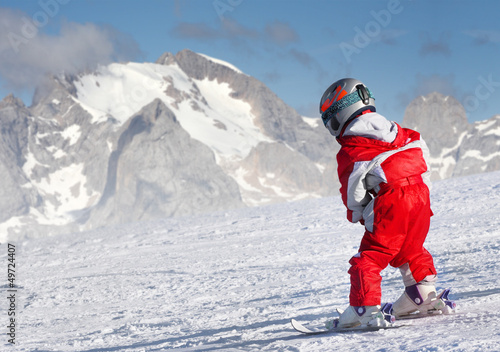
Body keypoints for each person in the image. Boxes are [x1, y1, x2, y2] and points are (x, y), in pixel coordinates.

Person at [319, 78, 445, 328]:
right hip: (421, 197)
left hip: (391, 201)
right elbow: (424, 159)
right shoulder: (404, 134)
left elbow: (353, 191)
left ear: (338, 114)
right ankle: (422, 294)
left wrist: (360, 214)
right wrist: (420, 194)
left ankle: (364, 309)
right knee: (411, 247)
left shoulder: (353, 147)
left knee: (369, 257)